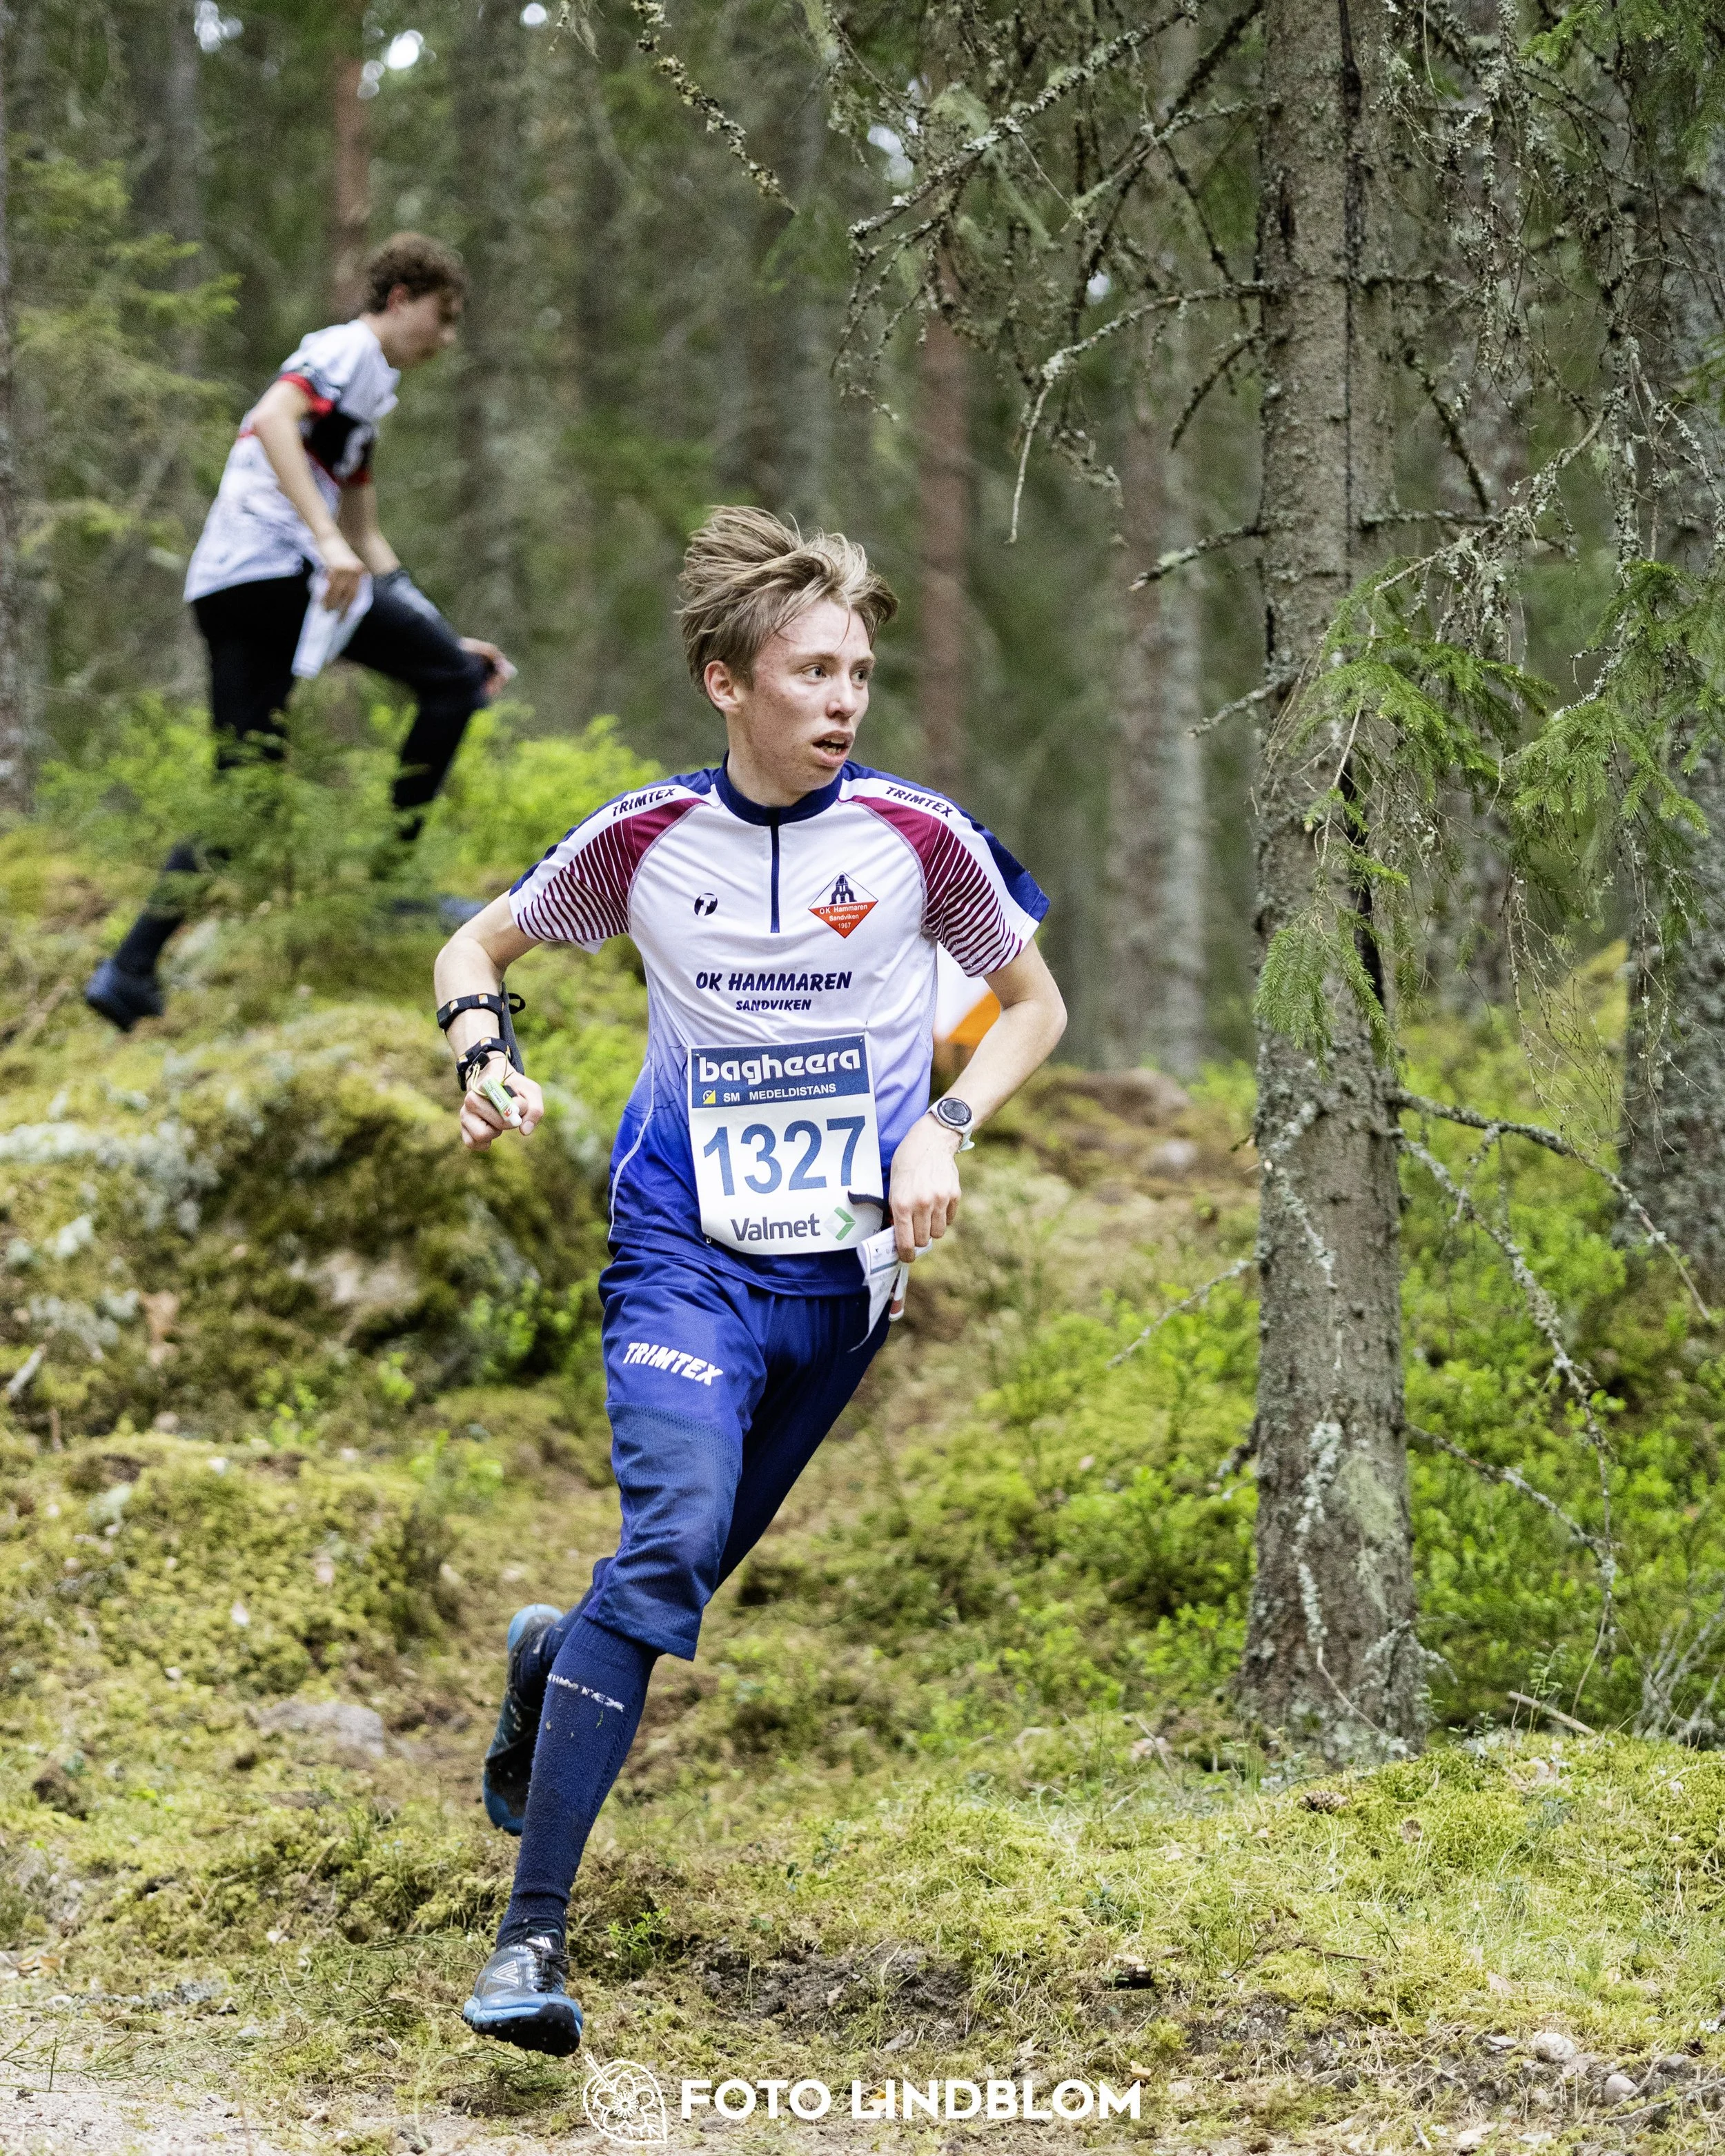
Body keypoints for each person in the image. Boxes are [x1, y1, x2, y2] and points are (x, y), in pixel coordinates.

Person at [433, 506, 1067, 2055]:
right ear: (728, 681)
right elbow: (476, 945)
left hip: (841, 1281)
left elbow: (1030, 1002)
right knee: (666, 1550)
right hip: (679, 1253)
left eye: (857, 668)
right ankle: (527, 1942)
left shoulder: (919, 838)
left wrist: (943, 1119)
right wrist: (481, 1053)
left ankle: (546, 1650)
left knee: (674, 1580)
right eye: (808, 671)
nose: (842, 698)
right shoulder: (645, 838)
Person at [85, 232, 513, 1031]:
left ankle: (129, 967)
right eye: (443, 317)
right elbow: (272, 420)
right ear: (398, 301)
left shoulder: (364, 402)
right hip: (277, 575)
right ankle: (390, 886)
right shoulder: (346, 351)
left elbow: (370, 540)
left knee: (243, 792)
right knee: (447, 691)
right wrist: (324, 539)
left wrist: (439, 634)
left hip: (234, 583)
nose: (447, 339)